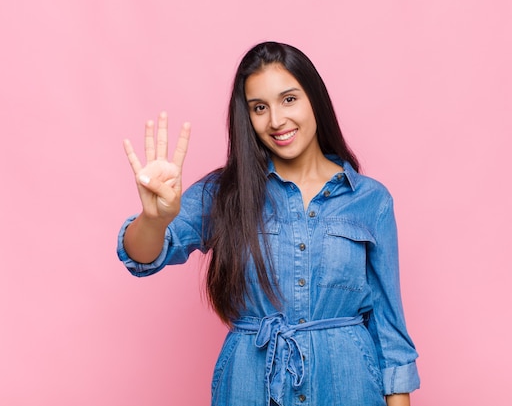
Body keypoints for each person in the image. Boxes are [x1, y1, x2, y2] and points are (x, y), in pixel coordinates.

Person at [117, 41, 420, 406]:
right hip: (248, 388)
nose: (276, 121)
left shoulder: (371, 200)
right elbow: (144, 256)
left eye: (289, 99)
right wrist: (153, 219)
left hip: (349, 387)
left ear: (315, 100)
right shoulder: (225, 192)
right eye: (259, 108)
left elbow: (389, 331)